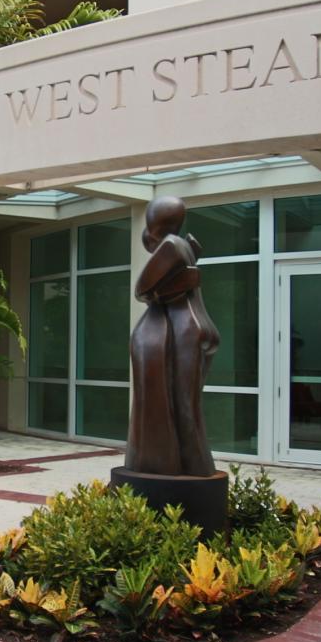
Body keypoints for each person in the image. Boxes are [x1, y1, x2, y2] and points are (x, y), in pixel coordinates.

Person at [126, 196, 220, 477]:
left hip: (182, 330)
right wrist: (182, 281)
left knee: (181, 407)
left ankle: (168, 464)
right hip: (196, 324)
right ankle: (196, 467)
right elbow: (183, 282)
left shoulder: (170, 245)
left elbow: (141, 289)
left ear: (155, 223)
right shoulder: (188, 246)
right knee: (187, 409)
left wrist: (159, 290)